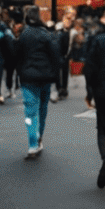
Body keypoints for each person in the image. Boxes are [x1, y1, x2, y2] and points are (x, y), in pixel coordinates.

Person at [14, 9, 63, 160]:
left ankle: (32, 144)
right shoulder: (47, 35)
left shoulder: (24, 35)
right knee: (42, 109)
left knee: (30, 112)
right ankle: (39, 136)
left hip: (28, 79)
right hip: (45, 78)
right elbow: (56, 57)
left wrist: (20, 74)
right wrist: (56, 77)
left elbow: (18, 57)